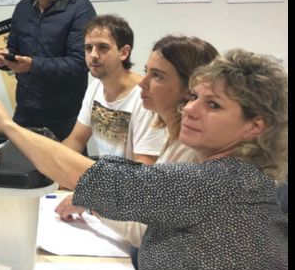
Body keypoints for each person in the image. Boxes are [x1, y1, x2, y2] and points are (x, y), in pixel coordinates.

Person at [0, 48, 288, 270]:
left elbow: (92, 178)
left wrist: (8, 126)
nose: (190, 109)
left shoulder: (218, 184)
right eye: (194, 97)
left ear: (255, 126)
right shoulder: (240, 177)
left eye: (213, 105)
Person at [58, 35, 219, 247]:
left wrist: (92, 202)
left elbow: (143, 230)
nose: (142, 83)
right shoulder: (172, 136)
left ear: (190, 88)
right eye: (146, 72)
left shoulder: (190, 151)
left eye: (157, 76)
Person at [0, 0, 95, 141]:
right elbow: (13, 48)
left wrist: (33, 65)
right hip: (26, 110)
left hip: (64, 116)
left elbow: (80, 63)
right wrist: (1, 59)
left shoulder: (80, 10)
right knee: (19, 167)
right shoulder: (23, 7)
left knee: (65, 171)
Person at [62, 14, 165, 164]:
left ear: (124, 53)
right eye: (88, 48)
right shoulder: (95, 87)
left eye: (103, 47)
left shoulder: (145, 98)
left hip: (134, 184)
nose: (93, 55)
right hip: (108, 179)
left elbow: (144, 167)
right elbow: (76, 140)